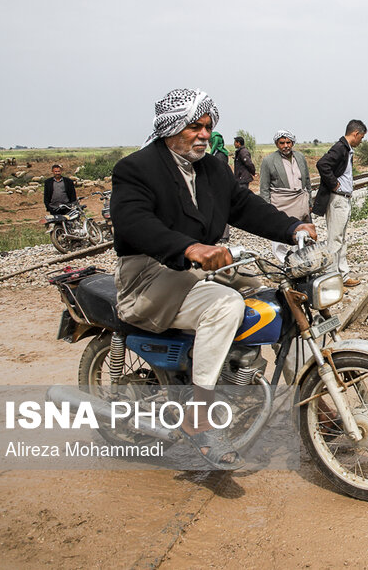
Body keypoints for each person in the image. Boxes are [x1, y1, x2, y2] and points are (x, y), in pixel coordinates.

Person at [110, 88, 316, 468]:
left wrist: (291, 228)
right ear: (171, 127)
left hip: (199, 269)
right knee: (225, 305)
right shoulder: (136, 168)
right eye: (195, 126)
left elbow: (244, 206)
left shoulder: (211, 168)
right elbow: (134, 222)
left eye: (208, 126)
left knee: (277, 297)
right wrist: (191, 249)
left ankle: (312, 395)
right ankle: (199, 418)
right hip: (149, 274)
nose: (204, 134)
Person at [313, 119, 367, 288]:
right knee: (335, 240)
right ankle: (331, 278)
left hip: (343, 200)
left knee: (341, 240)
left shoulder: (346, 149)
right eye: (361, 137)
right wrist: (333, 183)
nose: (361, 141)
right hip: (337, 199)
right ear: (355, 134)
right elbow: (322, 164)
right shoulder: (340, 147)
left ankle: (342, 275)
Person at [259, 129, 312, 222]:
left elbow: (307, 181)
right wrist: (268, 209)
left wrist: (310, 202)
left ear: (292, 143)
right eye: (282, 143)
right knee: (283, 232)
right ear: (277, 144)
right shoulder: (269, 161)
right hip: (281, 206)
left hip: (301, 203)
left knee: (304, 231)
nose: (286, 146)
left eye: (288, 142)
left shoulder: (300, 157)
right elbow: (264, 188)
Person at [209, 131, 232, 242]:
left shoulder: (219, 156)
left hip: (220, 188)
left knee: (221, 211)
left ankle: (223, 235)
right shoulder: (220, 154)